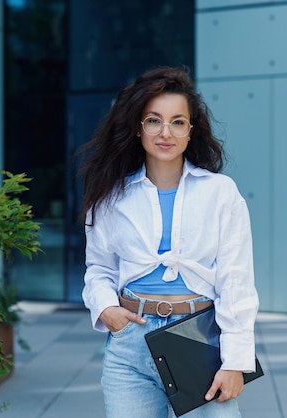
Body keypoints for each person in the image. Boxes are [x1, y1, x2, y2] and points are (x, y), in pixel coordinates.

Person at [78, 66, 259, 418]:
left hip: (199, 340)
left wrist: (236, 361)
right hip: (130, 344)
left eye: (178, 122)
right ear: (138, 127)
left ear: (191, 131)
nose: (166, 132)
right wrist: (106, 310)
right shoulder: (110, 197)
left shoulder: (220, 193)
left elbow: (236, 281)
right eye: (153, 120)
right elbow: (98, 267)